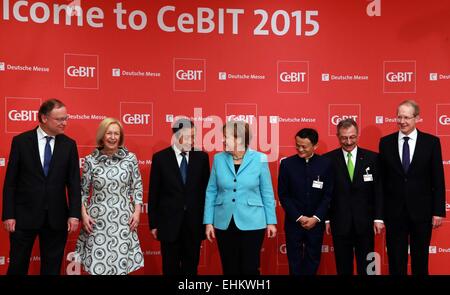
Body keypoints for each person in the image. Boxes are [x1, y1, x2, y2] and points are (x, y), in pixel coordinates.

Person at [2, 99, 81, 275]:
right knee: (17, 266)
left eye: (66, 118)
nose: (65, 123)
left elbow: (74, 183)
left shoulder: (69, 145)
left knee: (52, 268)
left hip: (56, 217)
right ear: (44, 118)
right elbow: (11, 182)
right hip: (23, 217)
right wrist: (9, 215)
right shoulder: (21, 141)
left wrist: (74, 214)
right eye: (59, 119)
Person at [379, 100, 445, 275]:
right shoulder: (385, 143)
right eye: (399, 117)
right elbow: (381, 182)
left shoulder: (431, 142)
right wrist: (379, 214)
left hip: (422, 212)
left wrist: (438, 211)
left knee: (420, 261)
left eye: (407, 117)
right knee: (395, 260)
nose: (402, 121)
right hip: (394, 213)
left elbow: (438, 179)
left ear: (417, 118)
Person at [204, 121, 277, 275]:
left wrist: (271, 222)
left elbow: (267, 192)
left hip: (253, 222)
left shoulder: (260, 158)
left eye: (226, 137)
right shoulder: (218, 159)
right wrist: (208, 222)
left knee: (250, 269)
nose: (222, 140)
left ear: (239, 139)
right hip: (224, 222)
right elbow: (211, 191)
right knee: (229, 268)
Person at [74, 118, 144, 275]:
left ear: (120, 137)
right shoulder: (91, 160)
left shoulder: (130, 158)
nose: (113, 137)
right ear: (102, 136)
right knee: (98, 264)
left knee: (120, 264)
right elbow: (83, 191)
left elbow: (137, 186)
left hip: (123, 219)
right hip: (97, 221)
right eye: (109, 133)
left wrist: (137, 212)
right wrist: (84, 215)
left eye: (116, 134)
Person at [148, 118, 210, 275]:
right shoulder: (160, 158)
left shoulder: (201, 157)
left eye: (193, 136)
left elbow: (206, 192)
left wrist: (207, 222)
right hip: (169, 225)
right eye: (188, 136)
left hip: (194, 225)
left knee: (191, 269)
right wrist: (153, 224)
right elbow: (154, 193)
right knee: (170, 268)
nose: (191, 140)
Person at [324, 119, 384, 275]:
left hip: (365, 223)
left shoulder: (373, 158)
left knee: (368, 268)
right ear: (338, 136)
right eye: (344, 138)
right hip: (340, 223)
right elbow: (326, 193)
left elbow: (378, 190)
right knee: (343, 268)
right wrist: (327, 219)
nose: (348, 142)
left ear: (357, 135)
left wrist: (378, 218)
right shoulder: (328, 160)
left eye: (352, 137)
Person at [278, 128, 333, 275]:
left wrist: (316, 218)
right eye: (297, 145)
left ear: (315, 146)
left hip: (316, 223)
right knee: (294, 262)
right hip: (294, 222)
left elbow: (328, 195)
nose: (300, 149)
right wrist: (299, 217)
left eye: (304, 146)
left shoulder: (326, 164)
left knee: (313, 259)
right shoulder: (287, 164)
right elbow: (283, 195)